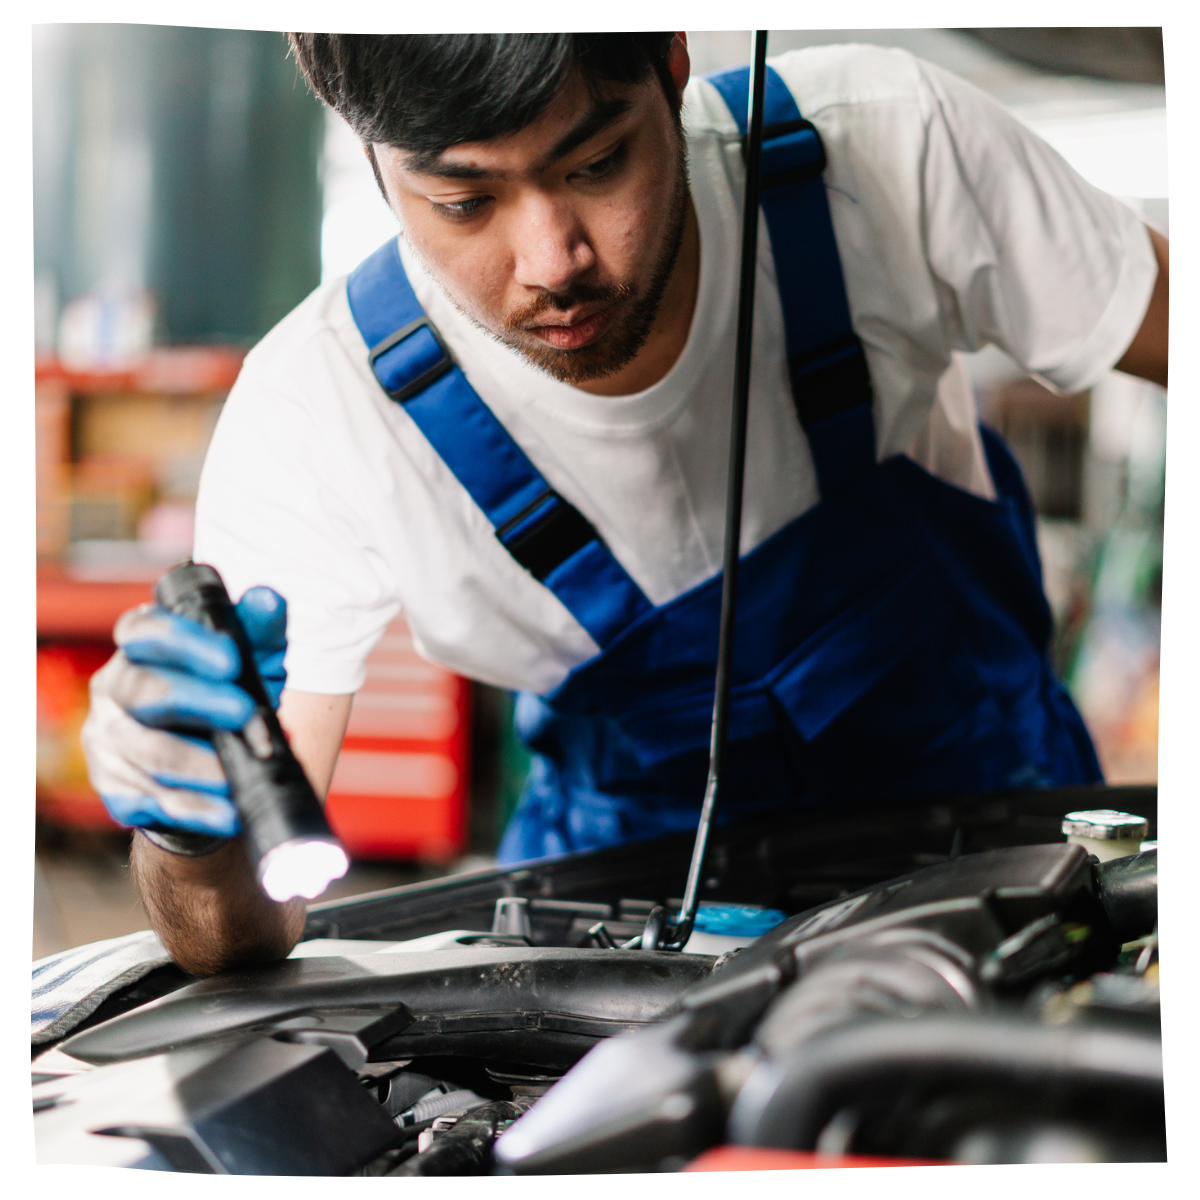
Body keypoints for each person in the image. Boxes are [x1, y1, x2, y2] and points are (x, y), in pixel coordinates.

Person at [81, 33, 1169, 975]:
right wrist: (193, 837)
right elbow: (238, 937)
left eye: (597, 160)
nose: (553, 262)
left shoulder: (883, 151)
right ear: (370, 156)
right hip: (620, 918)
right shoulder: (316, 419)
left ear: (674, 58)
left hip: (1002, 848)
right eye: (464, 200)